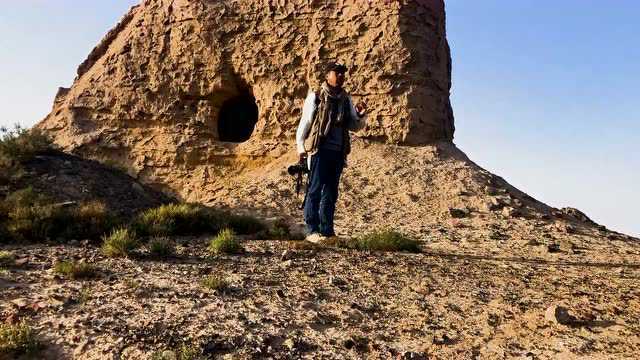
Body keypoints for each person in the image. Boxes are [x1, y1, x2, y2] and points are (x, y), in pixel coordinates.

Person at [295, 62, 368, 243]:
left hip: (338, 153)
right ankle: (312, 230)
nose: (341, 76)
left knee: (331, 193)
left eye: (343, 73)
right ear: (327, 75)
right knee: (315, 190)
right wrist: (300, 148)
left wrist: (360, 115)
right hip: (319, 151)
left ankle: (327, 231)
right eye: (337, 73)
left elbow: (354, 126)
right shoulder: (316, 96)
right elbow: (305, 122)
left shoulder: (346, 99)